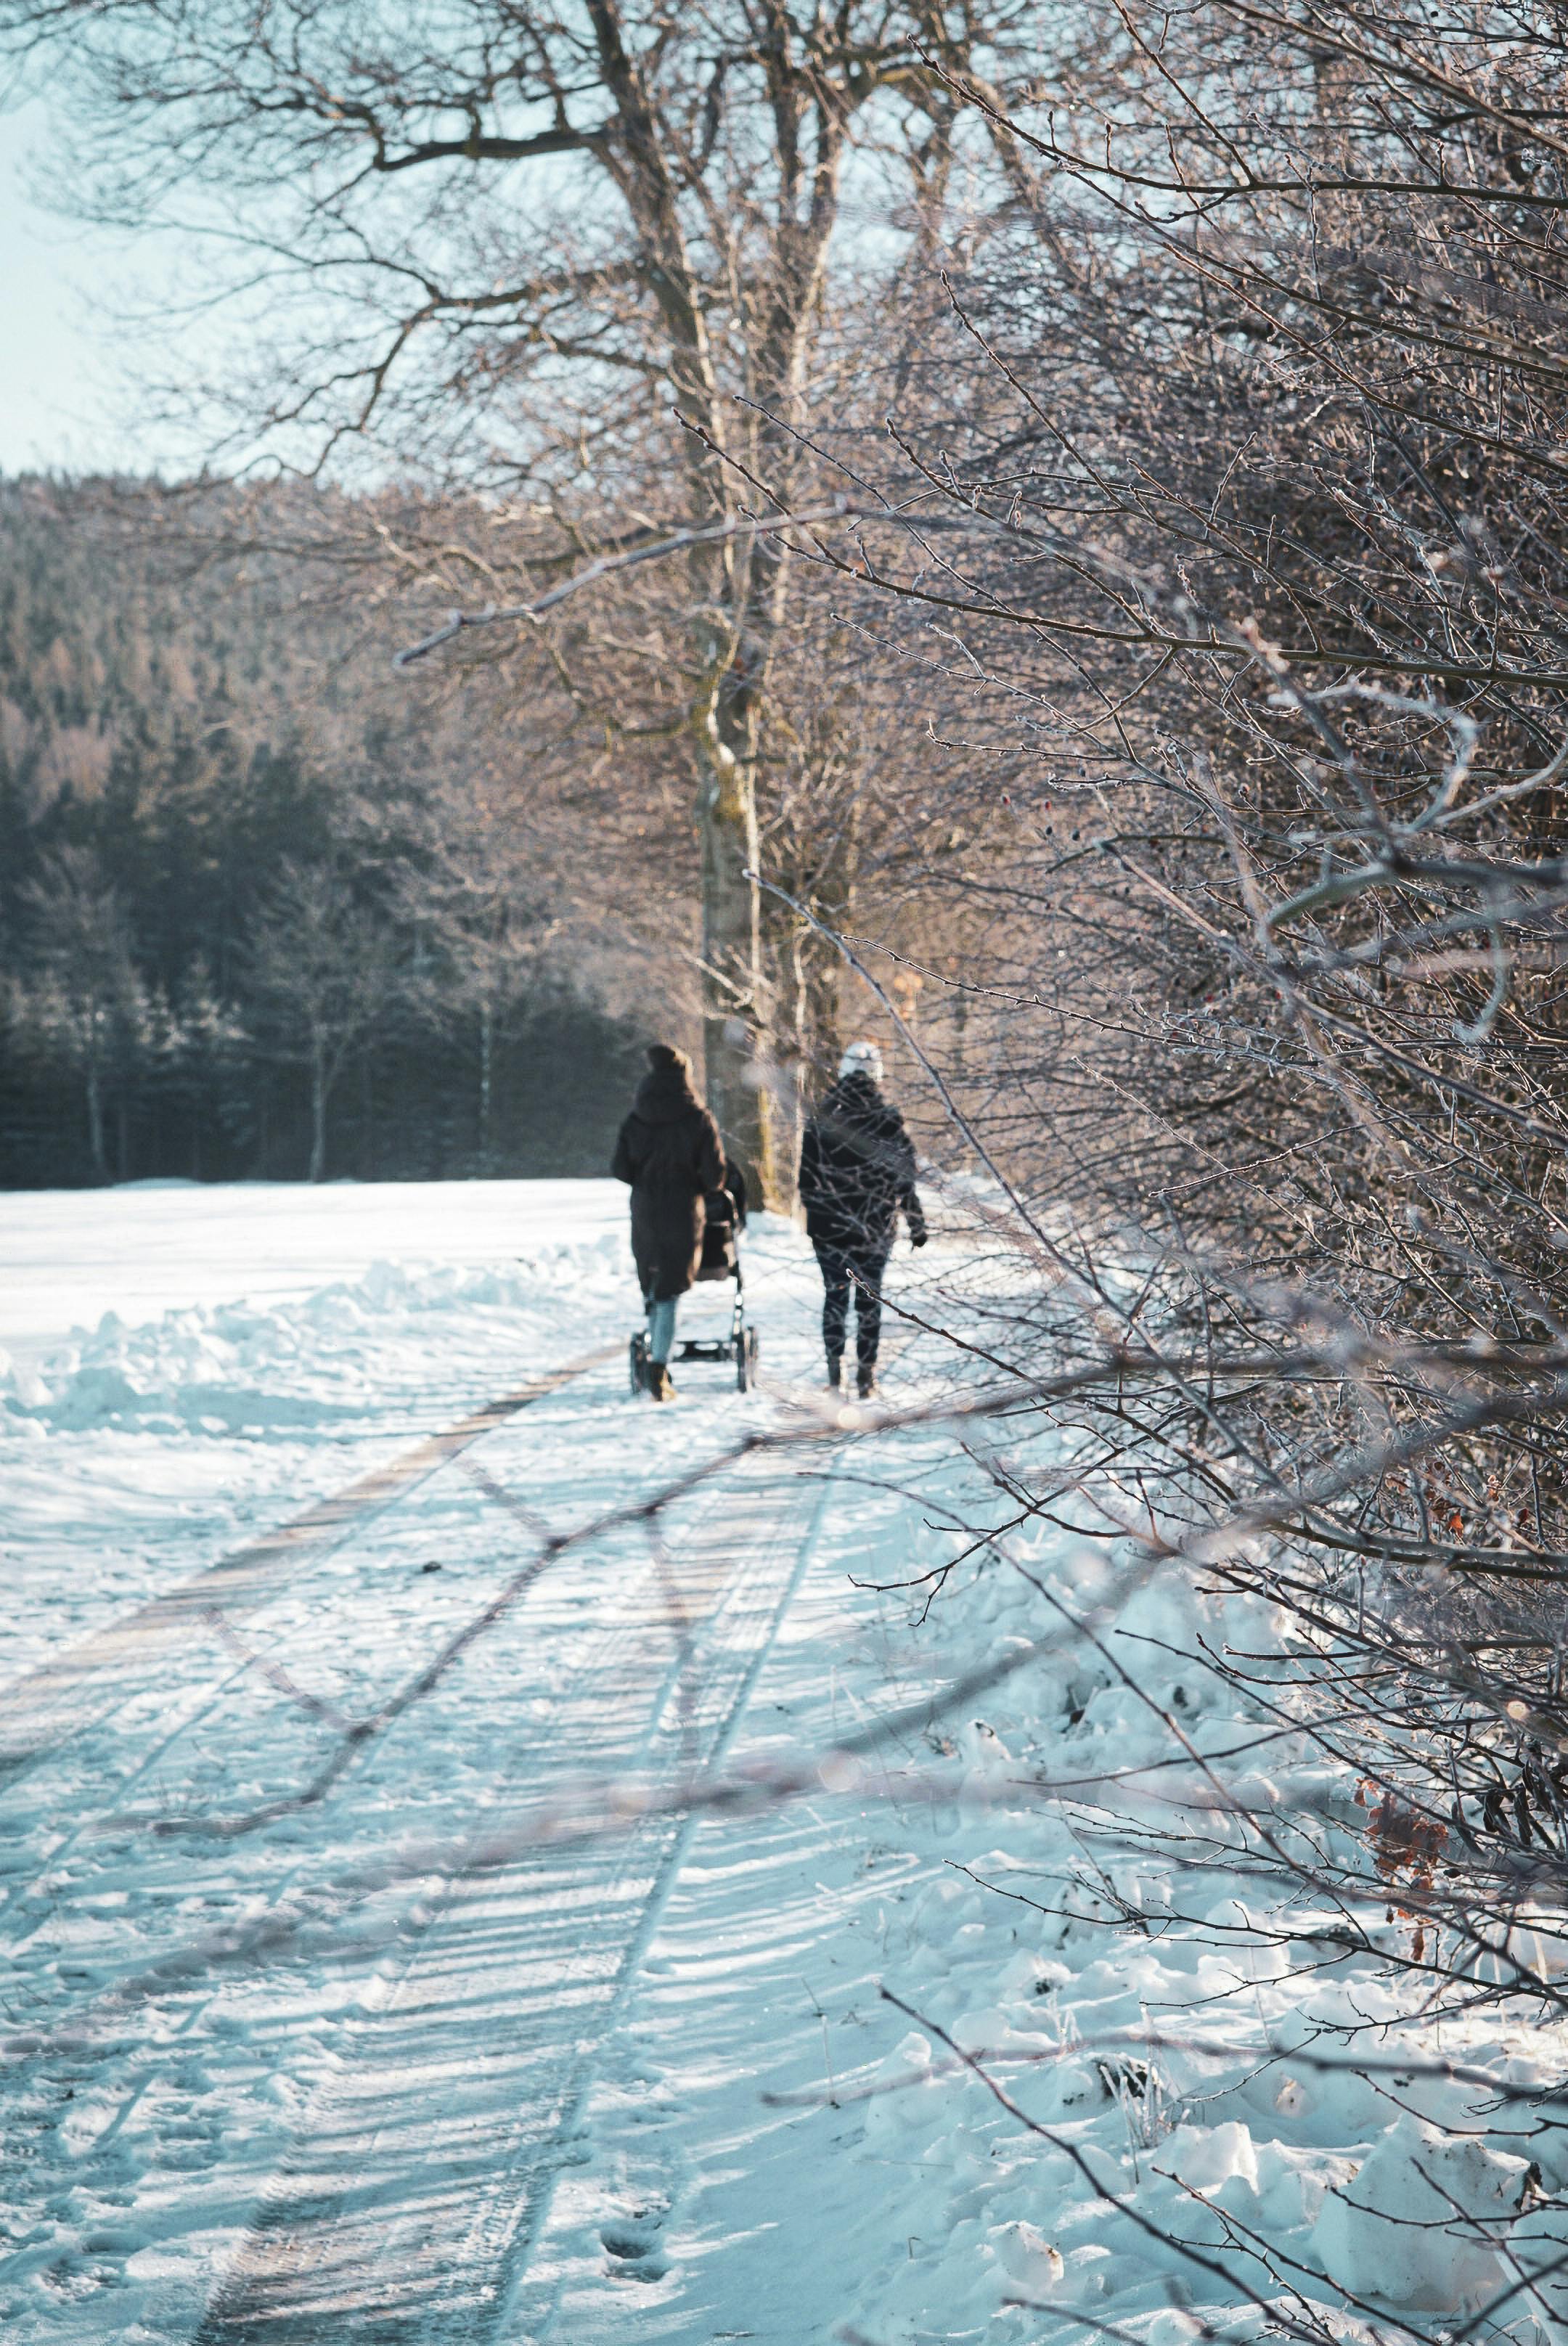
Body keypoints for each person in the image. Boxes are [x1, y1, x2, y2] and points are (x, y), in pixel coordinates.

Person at [799, 1039, 926, 1398]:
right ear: (877, 1075)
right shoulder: (889, 1120)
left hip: (829, 1229)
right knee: (870, 1300)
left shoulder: (821, 1119)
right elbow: (905, 1179)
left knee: (835, 1296)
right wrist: (916, 1222)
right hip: (876, 1225)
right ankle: (866, 1377)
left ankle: (834, 1372)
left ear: (842, 1072)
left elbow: (806, 1182)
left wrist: (820, 1216)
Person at [611, 1042, 724, 1401]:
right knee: (671, 1290)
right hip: (683, 1210)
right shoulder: (698, 1117)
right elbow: (715, 1176)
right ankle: (659, 1367)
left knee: (654, 1282)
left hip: (646, 1209)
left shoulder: (636, 1117)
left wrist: (646, 1178)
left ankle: (657, 1357)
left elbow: (620, 1168)